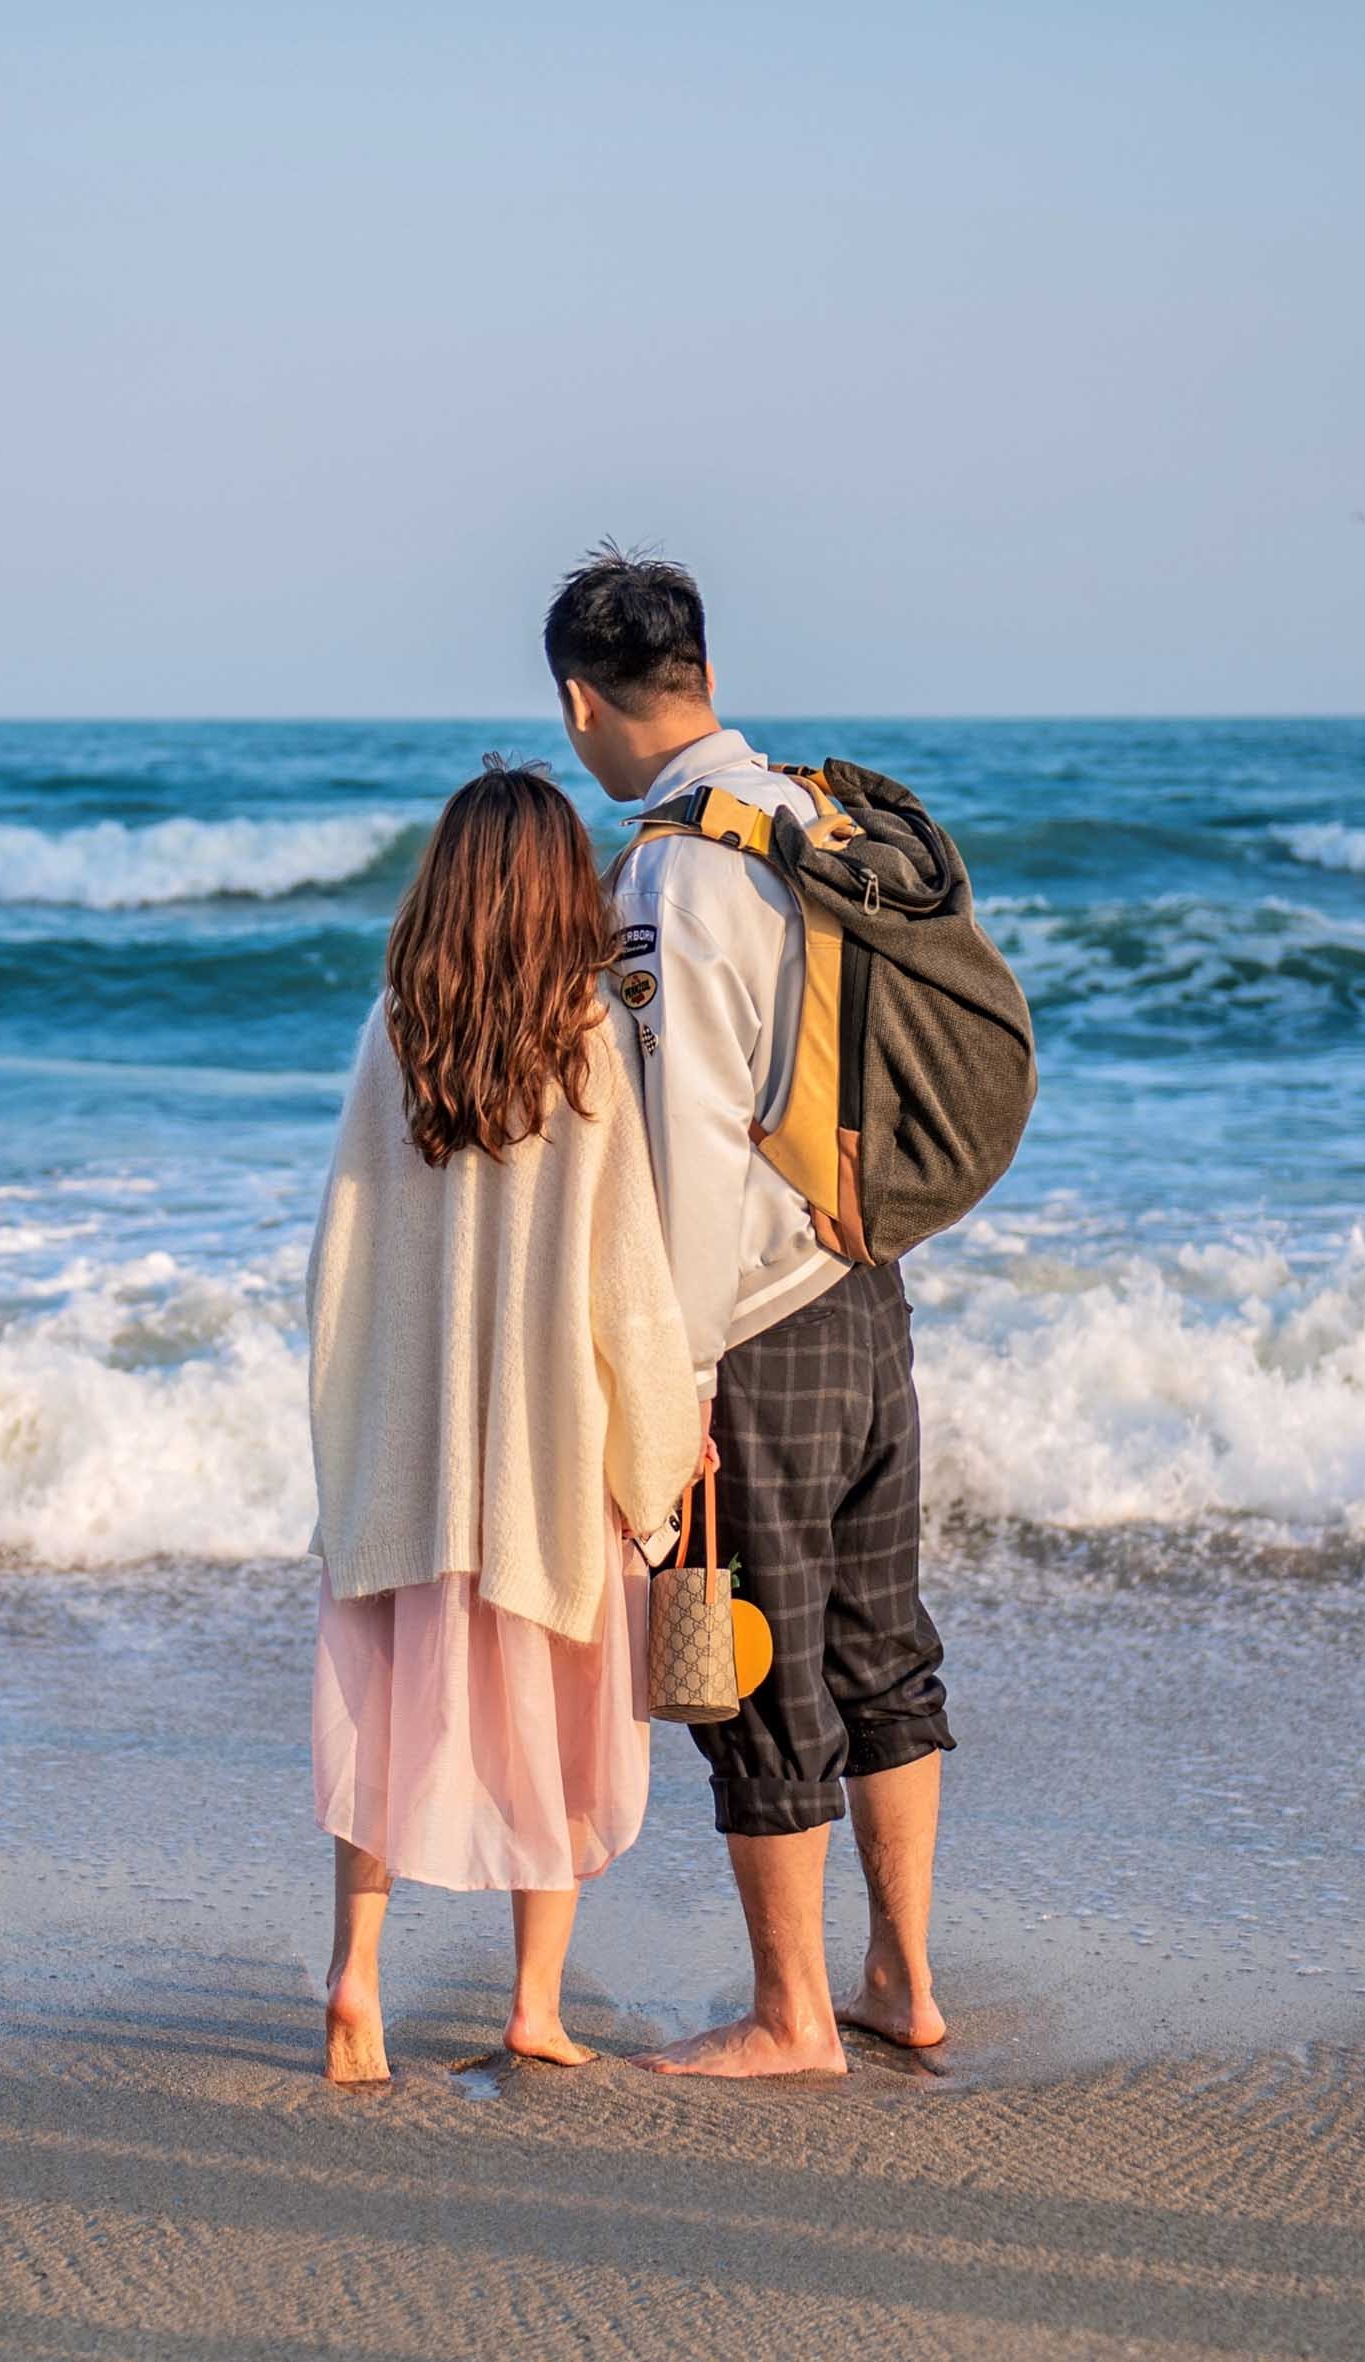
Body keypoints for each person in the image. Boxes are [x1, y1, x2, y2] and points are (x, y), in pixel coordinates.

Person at [548, 546, 957, 2078]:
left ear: (583, 704)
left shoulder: (674, 869)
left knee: (761, 1659)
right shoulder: (807, 813)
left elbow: (696, 1133)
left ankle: (794, 2015)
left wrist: (683, 1377)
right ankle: (902, 1978)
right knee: (882, 1643)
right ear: (705, 674)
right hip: (867, 1287)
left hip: (757, 1325)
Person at [306, 758, 704, 2086]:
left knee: (386, 1720)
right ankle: (535, 2002)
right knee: (568, 1729)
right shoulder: (588, 1040)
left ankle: (355, 1977)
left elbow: (342, 1252)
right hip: (542, 1464)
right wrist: (662, 1453)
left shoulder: (394, 1030)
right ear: (554, 890)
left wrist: (349, 1438)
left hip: (410, 1456)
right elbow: (626, 1279)